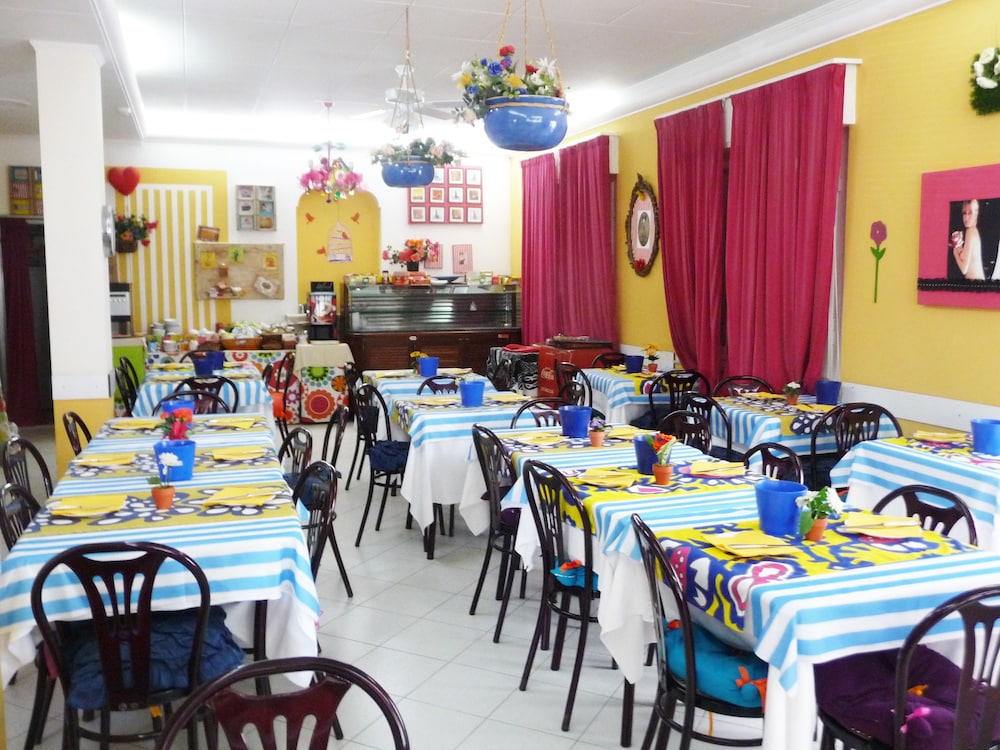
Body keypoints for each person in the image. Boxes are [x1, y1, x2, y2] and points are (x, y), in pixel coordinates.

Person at [951, 199, 985, 280]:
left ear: (976, 214)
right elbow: (968, 259)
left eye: (970, 213)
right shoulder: (974, 231)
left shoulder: (970, 231)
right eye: (964, 213)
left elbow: (964, 269)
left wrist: (955, 253)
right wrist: (959, 249)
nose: (966, 217)